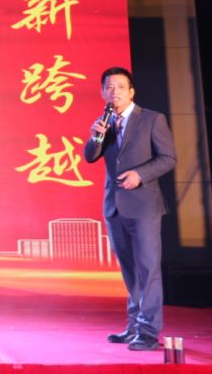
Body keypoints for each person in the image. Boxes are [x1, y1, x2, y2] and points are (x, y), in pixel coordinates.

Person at [84, 66, 177, 351]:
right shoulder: (104, 122)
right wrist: (96, 136)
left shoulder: (152, 119)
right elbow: (90, 156)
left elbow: (168, 158)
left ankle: (148, 332)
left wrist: (140, 174)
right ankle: (134, 326)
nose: (115, 92)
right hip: (114, 207)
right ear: (103, 92)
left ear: (131, 92)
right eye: (109, 87)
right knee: (130, 271)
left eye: (121, 87)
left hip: (144, 206)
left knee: (148, 269)